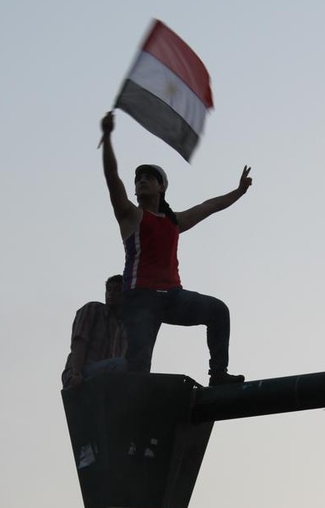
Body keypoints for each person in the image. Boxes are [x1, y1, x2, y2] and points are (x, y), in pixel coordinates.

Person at [100, 110, 251, 386]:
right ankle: (126, 395)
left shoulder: (174, 222)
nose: (141, 181)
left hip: (172, 296)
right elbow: (112, 177)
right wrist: (108, 136)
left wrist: (238, 192)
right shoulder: (131, 216)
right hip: (141, 299)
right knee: (139, 366)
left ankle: (218, 373)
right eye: (138, 179)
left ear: (161, 188)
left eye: (149, 178)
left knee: (218, 311)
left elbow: (209, 206)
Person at [61, 274, 128, 390]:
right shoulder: (93, 309)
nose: (111, 293)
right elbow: (79, 341)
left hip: (102, 378)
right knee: (119, 364)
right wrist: (76, 374)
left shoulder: (122, 327)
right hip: (80, 373)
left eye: (117, 290)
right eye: (109, 289)